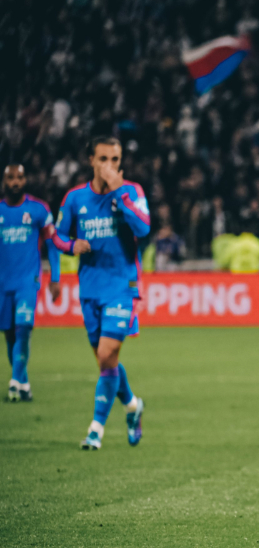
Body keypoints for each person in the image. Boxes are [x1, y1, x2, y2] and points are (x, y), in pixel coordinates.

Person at [54, 137, 150, 450]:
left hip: (122, 287)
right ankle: (133, 405)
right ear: (91, 161)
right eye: (104, 159)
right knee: (106, 362)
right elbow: (57, 236)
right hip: (90, 289)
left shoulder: (132, 191)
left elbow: (143, 227)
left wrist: (119, 192)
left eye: (115, 159)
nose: (110, 165)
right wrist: (71, 246)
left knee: (108, 354)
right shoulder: (75, 198)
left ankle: (95, 430)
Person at [0, 165, 61, 402]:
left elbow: (52, 245)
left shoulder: (38, 209)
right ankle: (24, 383)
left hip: (28, 281)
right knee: (9, 335)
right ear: (4, 182)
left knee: (23, 328)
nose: (16, 182)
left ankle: (15, 382)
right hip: (3, 284)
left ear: (25, 180)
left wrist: (55, 278)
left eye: (20, 177)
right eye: (11, 178)